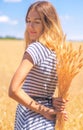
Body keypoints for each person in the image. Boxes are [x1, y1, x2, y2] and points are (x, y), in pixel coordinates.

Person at [9, 1, 68, 130]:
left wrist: (48, 103)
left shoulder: (36, 48)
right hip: (43, 115)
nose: (30, 26)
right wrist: (47, 106)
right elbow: (14, 91)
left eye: (37, 21)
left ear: (48, 23)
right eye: (28, 21)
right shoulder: (57, 51)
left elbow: (13, 90)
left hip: (32, 117)